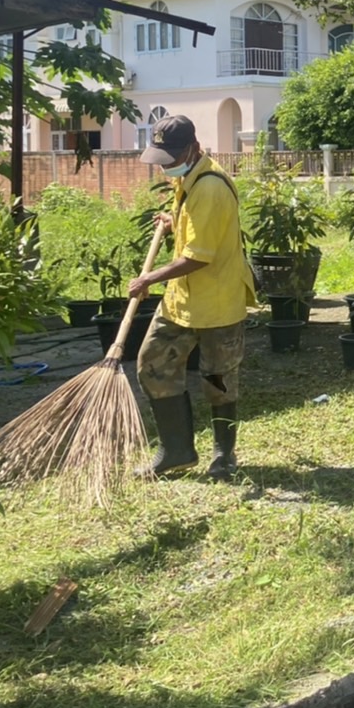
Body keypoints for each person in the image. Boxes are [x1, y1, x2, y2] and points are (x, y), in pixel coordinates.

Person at [128, 115, 256, 479]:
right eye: (161, 157)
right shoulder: (190, 178)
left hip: (217, 301)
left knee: (218, 379)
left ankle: (224, 456)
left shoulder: (211, 188)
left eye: (170, 157)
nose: (166, 164)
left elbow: (199, 256)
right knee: (153, 364)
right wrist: (173, 220)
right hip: (182, 300)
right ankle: (177, 451)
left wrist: (148, 278)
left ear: (193, 148)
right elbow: (195, 227)